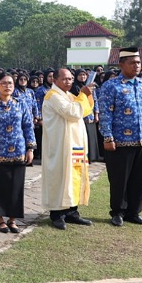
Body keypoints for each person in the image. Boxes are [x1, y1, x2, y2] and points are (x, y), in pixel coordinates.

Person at [98, 47, 142, 227]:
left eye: (139, 63)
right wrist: (108, 137)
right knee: (119, 179)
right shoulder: (111, 86)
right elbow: (105, 114)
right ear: (121, 64)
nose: (136, 66)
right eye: (132, 63)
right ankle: (118, 212)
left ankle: (134, 212)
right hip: (120, 142)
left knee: (139, 179)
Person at [41, 68, 94, 230]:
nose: (69, 82)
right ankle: (57, 214)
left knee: (74, 176)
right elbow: (73, 112)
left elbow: (85, 110)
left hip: (74, 144)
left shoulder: (69, 95)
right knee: (60, 177)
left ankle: (72, 211)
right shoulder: (53, 96)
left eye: (71, 79)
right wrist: (83, 95)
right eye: (64, 79)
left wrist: (87, 95)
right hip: (60, 146)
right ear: (54, 80)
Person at [0, 74, 35, 233]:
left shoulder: (21, 103)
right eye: (4, 83)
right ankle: (0, 220)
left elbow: (28, 126)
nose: (8, 86)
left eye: (10, 83)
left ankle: (12, 220)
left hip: (19, 150)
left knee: (16, 187)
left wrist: (30, 148)